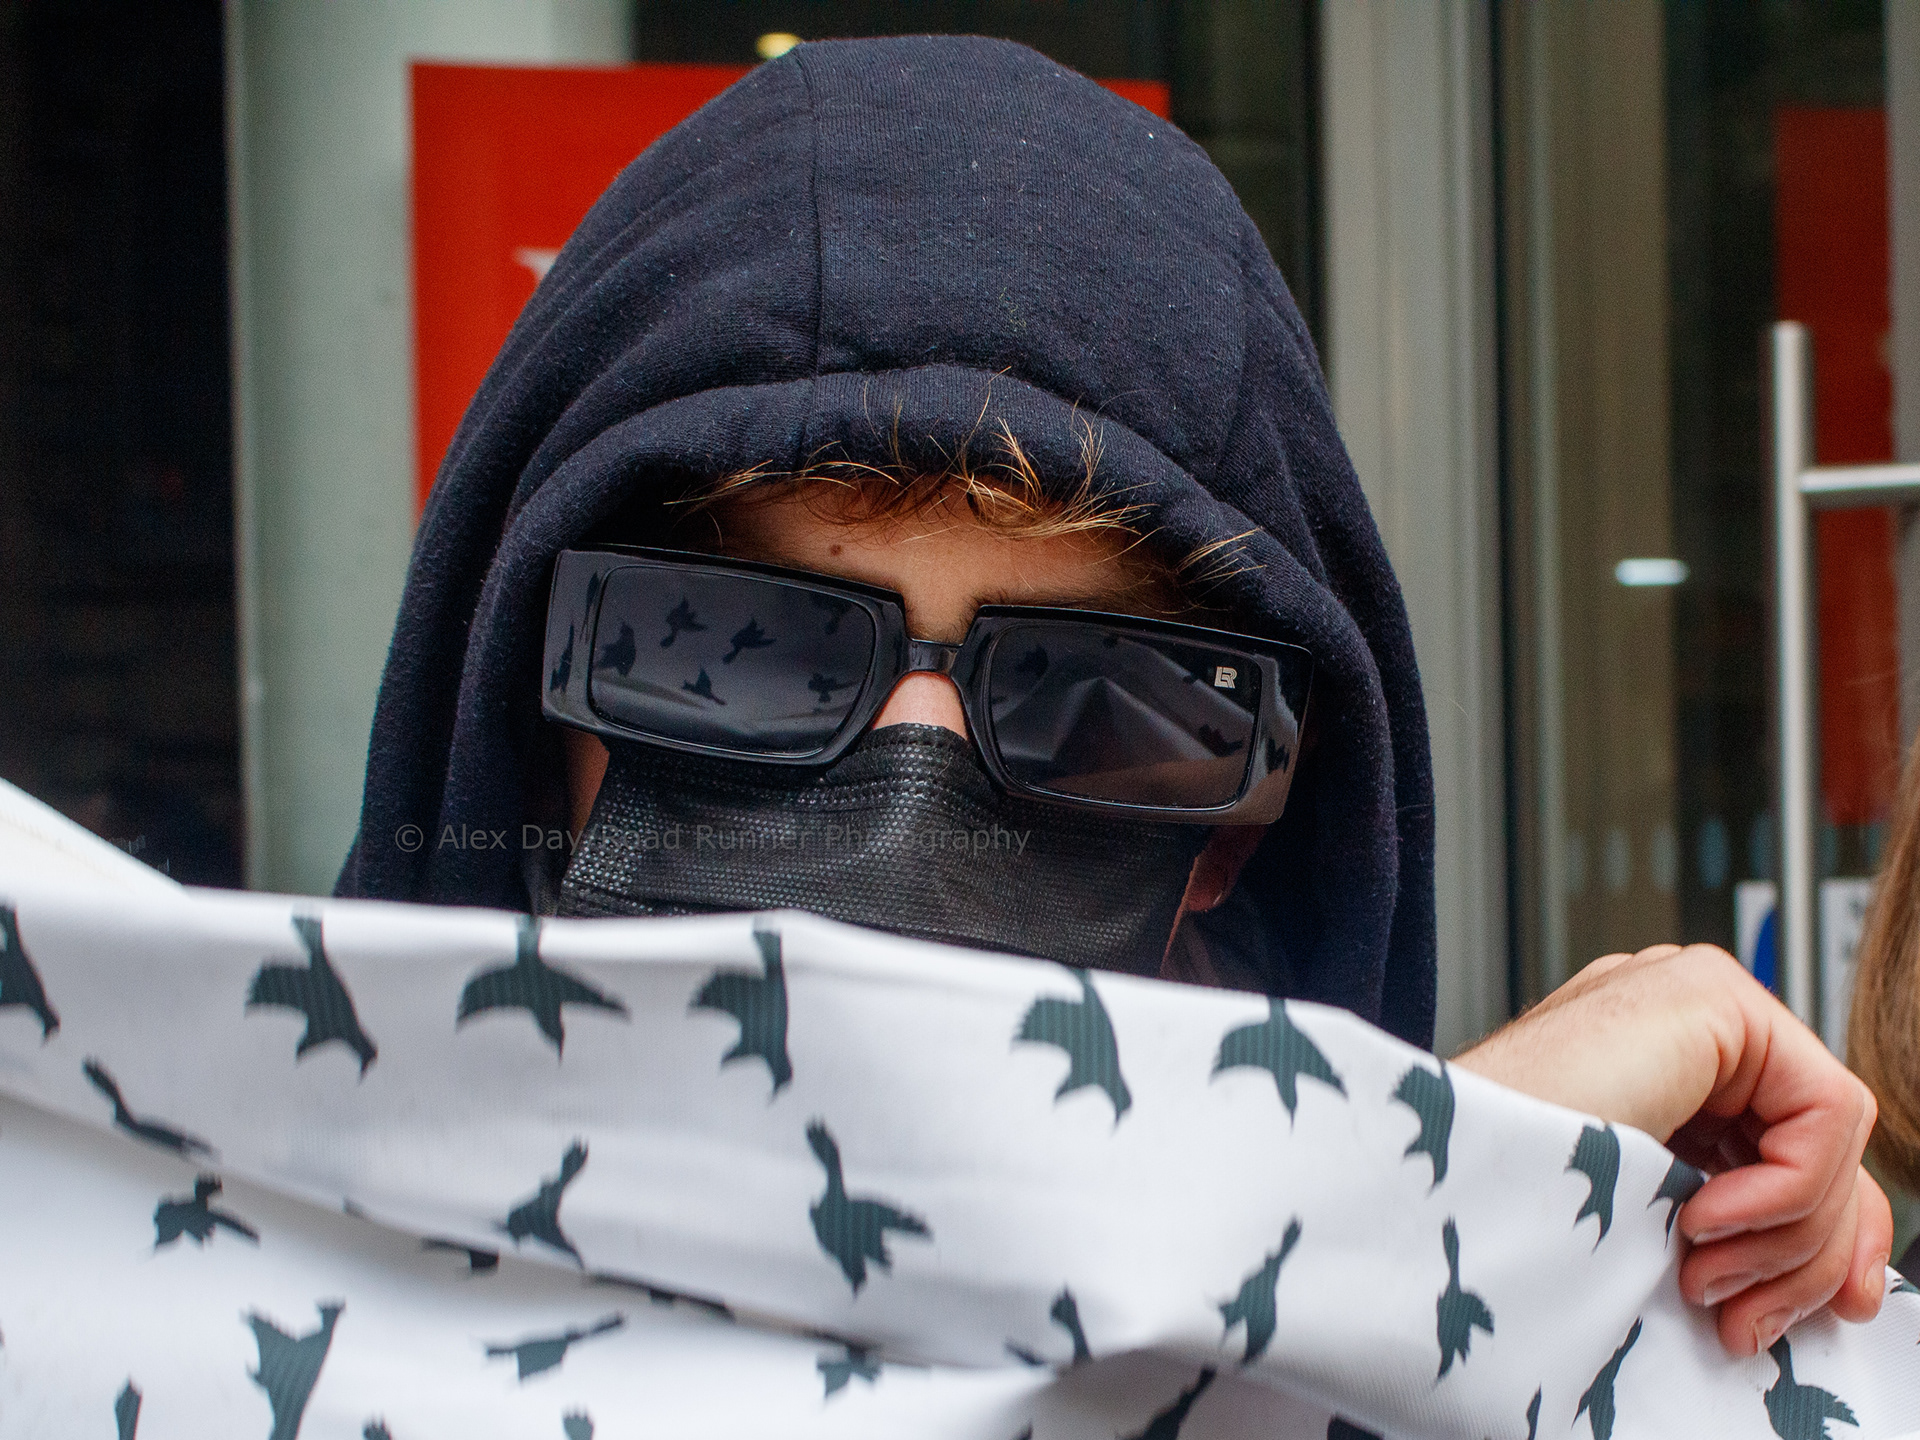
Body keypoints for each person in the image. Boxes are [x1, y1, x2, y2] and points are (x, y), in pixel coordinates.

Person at [337, 34, 1887, 1356]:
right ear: (525, 731)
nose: (912, 788)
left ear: (1244, 834)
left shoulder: (1495, 1335)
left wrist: (1577, 1252)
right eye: (722, 641)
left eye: (1099, 701)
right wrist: (1412, 1203)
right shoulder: (191, 1316)